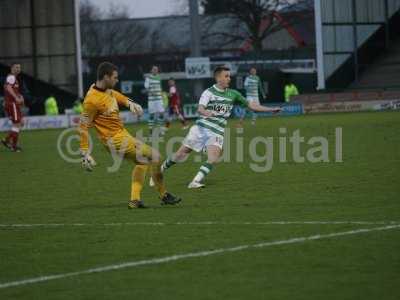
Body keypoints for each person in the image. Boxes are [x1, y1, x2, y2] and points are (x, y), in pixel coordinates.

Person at [79, 62, 181, 208]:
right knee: (155, 156)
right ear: (106, 77)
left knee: (143, 162)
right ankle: (164, 195)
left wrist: (130, 103)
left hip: (121, 135)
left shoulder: (106, 90)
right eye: (115, 77)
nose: (117, 80)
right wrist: (84, 152)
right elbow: (82, 126)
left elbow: (116, 95)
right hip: (115, 140)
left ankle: (135, 200)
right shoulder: (91, 100)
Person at [159, 66, 281, 189]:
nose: (229, 78)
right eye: (226, 76)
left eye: (229, 76)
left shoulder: (234, 94)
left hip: (217, 132)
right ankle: (160, 170)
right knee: (180, 155)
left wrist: (271, 109)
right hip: (201, 129)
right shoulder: (209, 92)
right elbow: (200, 108)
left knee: (214, 157)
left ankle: (195, 182)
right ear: (218, 78)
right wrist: (206, 112)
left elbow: (252, 106)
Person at [1, 63, 24, 152]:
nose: (18, 69)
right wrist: (15, 97)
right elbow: (8, 87)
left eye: (19, 67)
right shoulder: (11, 77)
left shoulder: (13, 78)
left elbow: (7, 87)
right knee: (17, 124)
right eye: (16, 67)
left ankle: (6, 141)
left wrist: (19, 96)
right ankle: (13, 146)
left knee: (20, 123)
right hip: (12, 104)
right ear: (11, 68)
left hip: (13, 103)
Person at [144, 66, 166, 135]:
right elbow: (146, 88)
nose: (155, 70)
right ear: (151, 70)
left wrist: (162, 96)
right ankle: (151, 130)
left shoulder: (159, 78)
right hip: (152, 100)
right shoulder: (148, 78)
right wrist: (151, 92)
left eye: (156, 69)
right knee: (152, 115)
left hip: (159, 99)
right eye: (154, 69)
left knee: (162, 113)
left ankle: (160, 129)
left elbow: (160, 88)